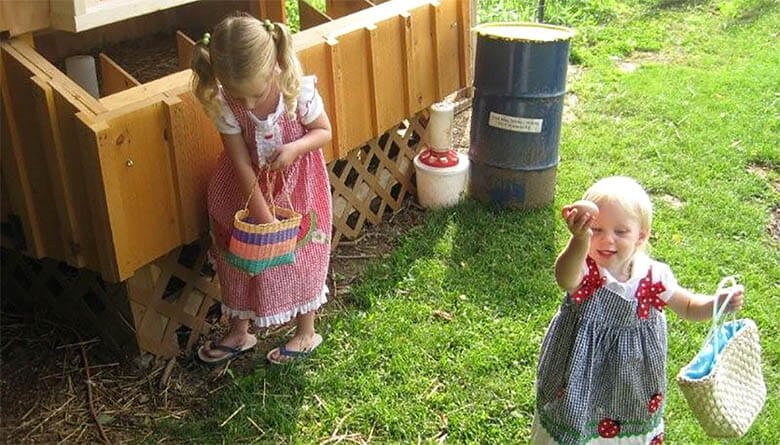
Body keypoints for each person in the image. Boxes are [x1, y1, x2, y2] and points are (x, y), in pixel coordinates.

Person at [532, 176, 745, 444]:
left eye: (621, 232)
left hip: (633, 377)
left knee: (626, 418)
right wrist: (578, 240)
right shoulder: (585, 268)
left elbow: (688, 307)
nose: (607, 239)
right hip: (579, 369)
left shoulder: (654, 276)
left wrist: (716, 304)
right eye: (596, 229)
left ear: (640, 236)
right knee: (573, 419)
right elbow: (564, 278)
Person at [191, 12, 333, 365]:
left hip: (297, 188)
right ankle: (240, 331)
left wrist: (294, 149)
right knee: (239, 258)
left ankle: (305, 331)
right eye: (241, 97)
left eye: (255, 94)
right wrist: (263, 217)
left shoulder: (297, 89)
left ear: (273, 69)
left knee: (300, 256)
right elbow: (239, 162)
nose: (249, 105)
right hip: (245, 190)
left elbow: (324, 132)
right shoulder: (225, 102)